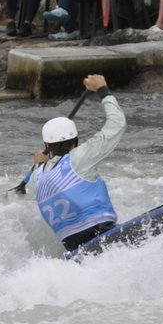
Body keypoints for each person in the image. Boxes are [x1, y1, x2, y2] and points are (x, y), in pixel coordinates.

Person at [30, 73, 125, 251]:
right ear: (75, 141)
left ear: (47, 146)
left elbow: (36, 179)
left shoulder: (37, 178)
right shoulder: (80, 157)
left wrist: (38, 164)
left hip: (74, 247)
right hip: (102, 234)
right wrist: (103, 90)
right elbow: (117, 124)